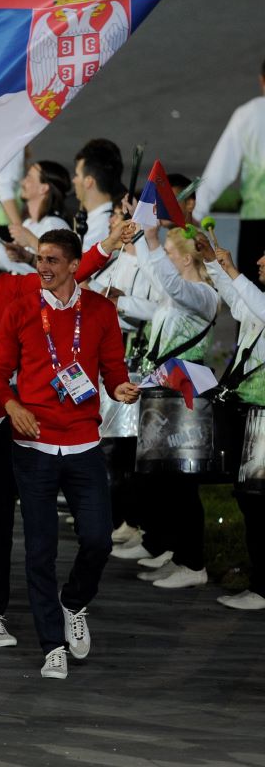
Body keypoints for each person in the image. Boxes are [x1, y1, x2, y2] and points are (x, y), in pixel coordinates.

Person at [0, 228, 140, 679]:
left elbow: (113, 368)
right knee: (40, 550)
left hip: (83, 445)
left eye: (53, 260)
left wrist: (120, 388)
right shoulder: (20, 309)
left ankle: (73, 601)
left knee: (98, 539)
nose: (44, 267)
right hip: (33, 448)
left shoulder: (100, 311)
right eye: (41, 259)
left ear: (75, 265)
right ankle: (51, 643)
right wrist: (12, 405)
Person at [114, 225, 218, 589]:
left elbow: (169, 284)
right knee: (163, 479)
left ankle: (193, 563)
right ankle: (177, 553)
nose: (163, 263)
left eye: (171, 255)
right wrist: (140, 242)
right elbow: (161, 284)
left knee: (181, 483)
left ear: (186, 259)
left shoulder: (202, 295)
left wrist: (151, 241)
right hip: (166, 394)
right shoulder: (178, 297)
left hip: (186, 393)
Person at [196, 234, 265, 610]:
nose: (261, 260)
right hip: (251, 413)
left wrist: (230, 268)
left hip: (264, 419)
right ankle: (259, 580)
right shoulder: (258, 303)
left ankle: (263, 586)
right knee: (249, 499)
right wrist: (212, 264)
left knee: (260, 503)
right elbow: (242, 306)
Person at [195, 57, 265, 275]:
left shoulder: (248, 115)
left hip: (256, 222)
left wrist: (197, 209)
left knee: (252, 298)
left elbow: (220, 167)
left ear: (262, 81)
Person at [0, 160, 72, 274]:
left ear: (43, 188)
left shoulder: (55, 224)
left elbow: (61, 265)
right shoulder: (28, 223)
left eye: (29, 177)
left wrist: (30, 240)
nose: (22, 182)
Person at [72, 139, 124, 251]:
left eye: (77, 175)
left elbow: (75, 263)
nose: (74, 180)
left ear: (88, 181)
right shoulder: (96, 219)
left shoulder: (106, 224)